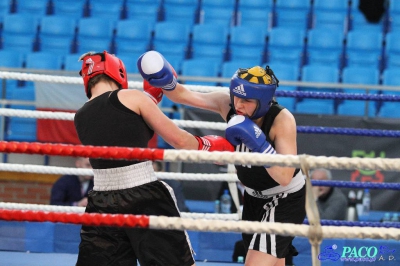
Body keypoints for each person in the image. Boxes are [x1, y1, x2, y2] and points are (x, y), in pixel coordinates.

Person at [138, 51, 306, 266]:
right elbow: (184, 95)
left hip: (284, 199)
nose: (238, 105)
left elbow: (284, 176)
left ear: (263, 102)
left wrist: (260, 144)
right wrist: (165, 81)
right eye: (236, 96)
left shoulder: (281, 120)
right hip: (253, 198)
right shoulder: (228, 103)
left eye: (246, 100)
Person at [73, 51, 234, 266]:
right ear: (118, 71)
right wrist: (210, 146)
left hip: (102, 200)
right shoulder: (133, 97)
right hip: (143, 195)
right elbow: (180, 141)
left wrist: (149, 100)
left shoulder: (80, 115)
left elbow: (120, 126)